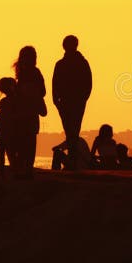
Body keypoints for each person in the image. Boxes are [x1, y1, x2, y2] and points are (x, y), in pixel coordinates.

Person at [52, 35, 92, 170]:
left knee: (71, 131)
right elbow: (88, 84)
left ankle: (72, 160)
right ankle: (72, 160)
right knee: (72, 131)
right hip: (71, 102)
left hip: (70, 102)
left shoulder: (66, 63)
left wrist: (56, 100)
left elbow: (88, 84)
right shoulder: (80, 63)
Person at [14, 46, 47, 179]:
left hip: (24, 112)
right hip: (30, 112)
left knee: (23, 141)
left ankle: (24, 169)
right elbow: (43, 92)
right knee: (29, 141)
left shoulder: (22, 72)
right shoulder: (34, 72)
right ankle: (27, 169)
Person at [0, 77, 19, 177]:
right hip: (7, 129)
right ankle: (11, 170)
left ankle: (4, 171)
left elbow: (5, 114)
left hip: (4, 129)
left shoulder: (7, 101)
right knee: (9, 152)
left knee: (4, 152)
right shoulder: (14, 100)